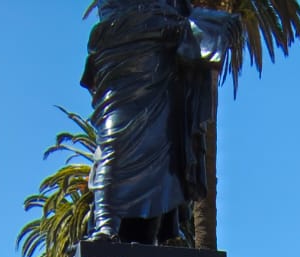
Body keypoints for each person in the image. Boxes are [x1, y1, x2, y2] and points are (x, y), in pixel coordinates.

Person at [80, 0, 237, 244]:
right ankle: (105, 226)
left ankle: (156, 236)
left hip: (165, 57)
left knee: (165, 148)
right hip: (123, 48)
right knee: (115, 143)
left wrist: (206, 23)